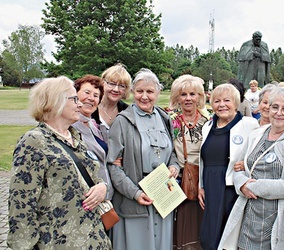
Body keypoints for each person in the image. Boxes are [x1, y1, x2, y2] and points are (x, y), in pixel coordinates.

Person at [7, 76, 111, 249]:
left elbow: (93, 176)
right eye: (74, 99)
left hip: (93, 239)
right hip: (59, 242)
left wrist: (102, 188)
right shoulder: (34, 142)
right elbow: (21, 205)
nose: (80, 104)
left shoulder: (75, 137)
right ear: (56, 101)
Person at [218, 87, 284, 250]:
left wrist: (251, 186)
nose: (279, 112)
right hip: (250, 216)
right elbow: (240, 167)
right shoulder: (257, 134)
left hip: (277, 219)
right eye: (275, 107)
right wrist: (242, 184)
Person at [106, 68, 180, 250]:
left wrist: (174, 166)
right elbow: (113, 166)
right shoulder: (122, 122)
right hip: (134, 199)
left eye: (150, 91)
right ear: (132, 92)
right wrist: (135, 193)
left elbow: (173, 154)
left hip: (162, 197)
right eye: (139, 91)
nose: (144, 96)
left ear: (158, 93)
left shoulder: (164, 118)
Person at [199, 83, 259, 250]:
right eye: (217, 101)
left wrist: (247, 163)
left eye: (227, 100)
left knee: (230, 235)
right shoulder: (208, 126)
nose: (222, 105)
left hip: (232, 188)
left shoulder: (248, 124)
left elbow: (258, 151)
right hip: (211, 186)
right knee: (210, 233)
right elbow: (203, 159)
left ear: (236, 102)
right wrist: (201, 186)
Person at [168, 74, 210, 249]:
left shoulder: (209, 121)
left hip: (202, 179)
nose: (188, 99)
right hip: (178, 178)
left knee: (199, 224)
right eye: (183, 94)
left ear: (200, 97)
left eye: (193, 94)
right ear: (177, 97)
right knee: (180, 226)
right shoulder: (170, 120)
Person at [72, 74, 114, 200]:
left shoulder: (95, 126)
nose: (91, 98)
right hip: (86, 198)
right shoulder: (70, 127)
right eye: (87, 92)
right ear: (76, 95)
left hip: (105, 197)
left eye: (96, 96)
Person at [92, 63, 131, 131]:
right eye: (112, 84)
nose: (116, 89)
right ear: (103, 83)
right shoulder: (91, 106)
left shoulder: (128, 112)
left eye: (121, 86)